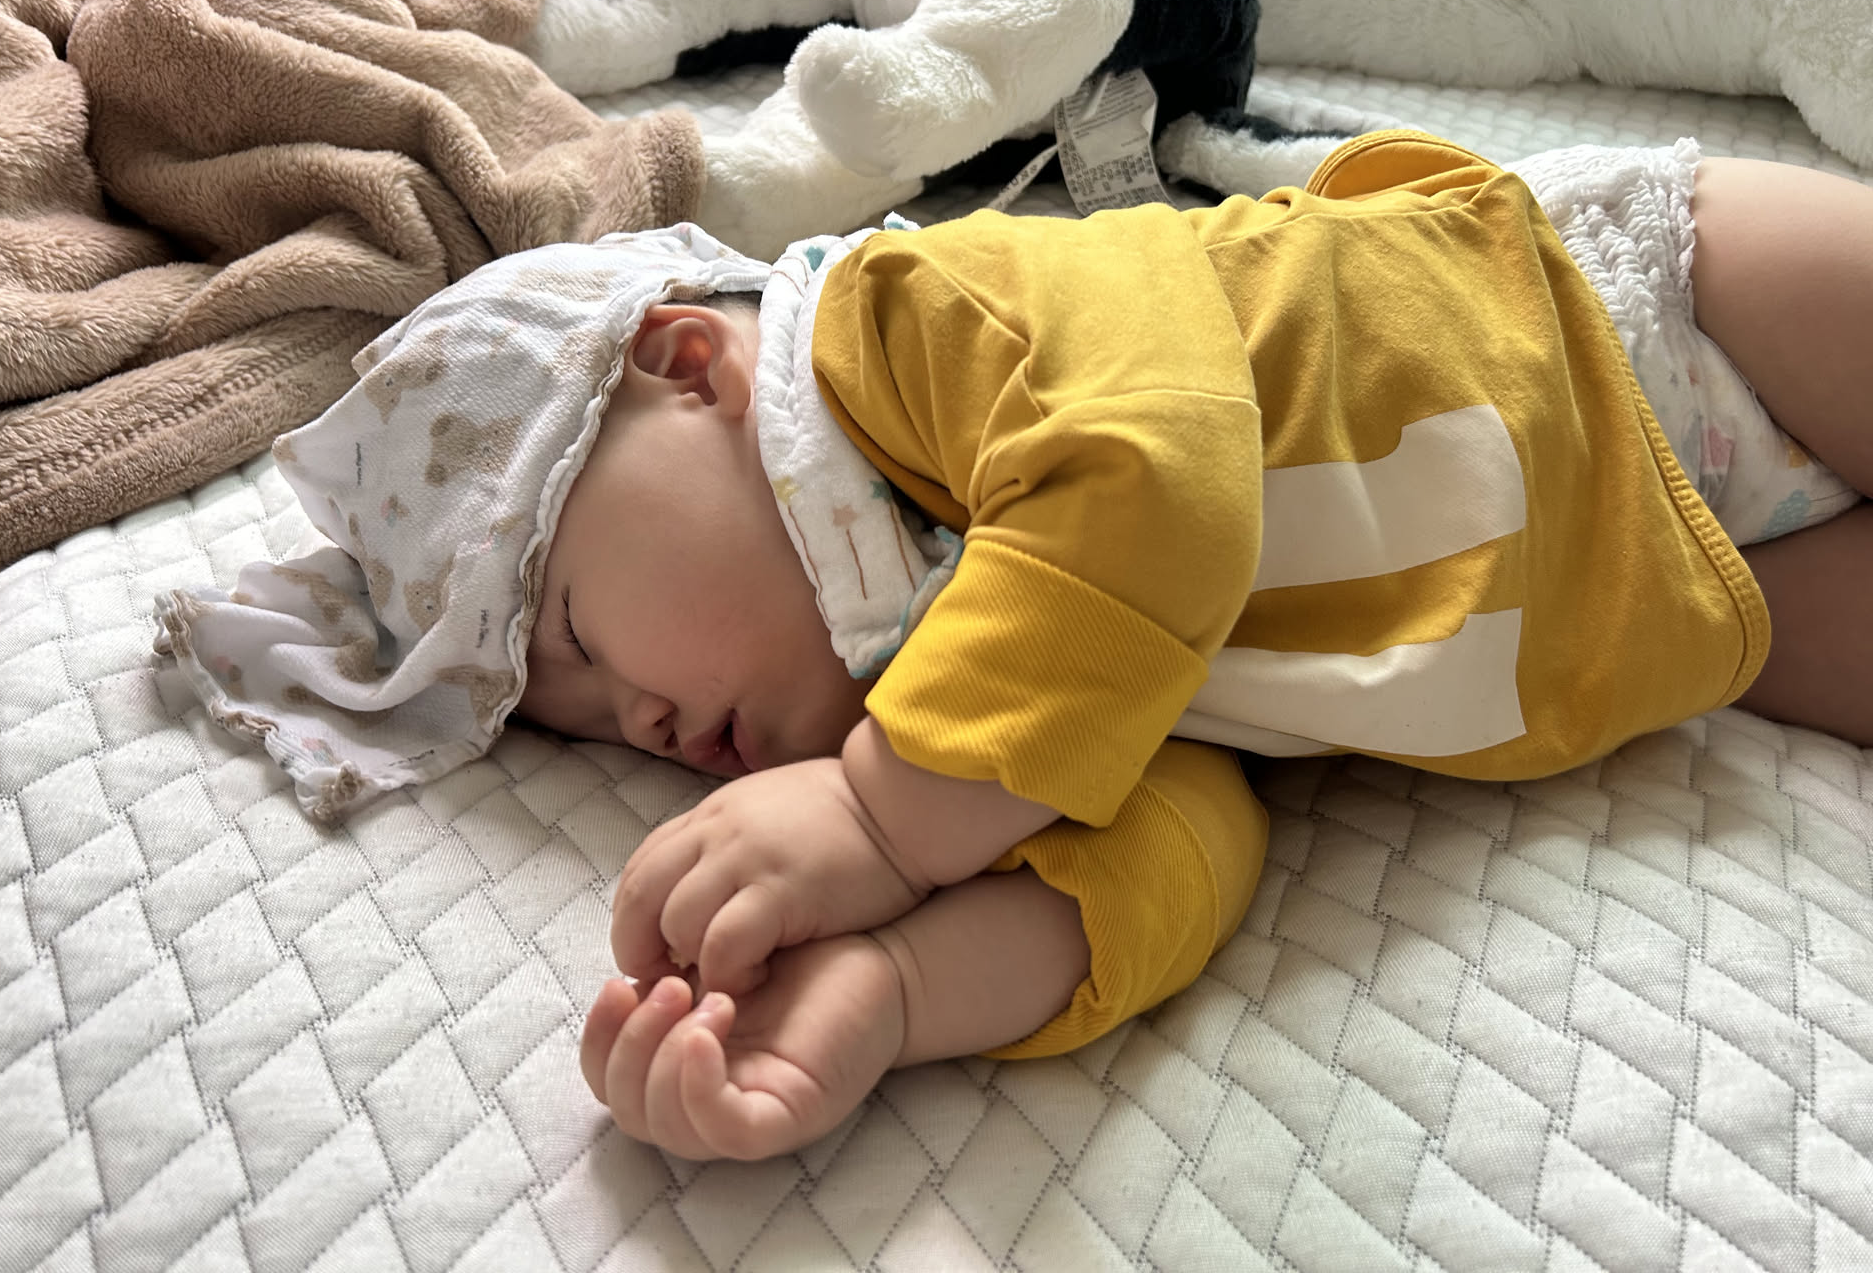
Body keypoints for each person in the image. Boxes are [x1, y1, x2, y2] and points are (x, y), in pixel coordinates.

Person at [156, 132, 1873, 1163]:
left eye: (579, 632)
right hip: (1675, 608)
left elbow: (1157, 472)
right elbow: (1187, 833)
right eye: (578, 720)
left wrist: (886, 815)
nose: (641, 720)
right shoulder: (970, 691)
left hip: (1641, 315)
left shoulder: (911, 327)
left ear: (688, 368)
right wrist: (899, 994)